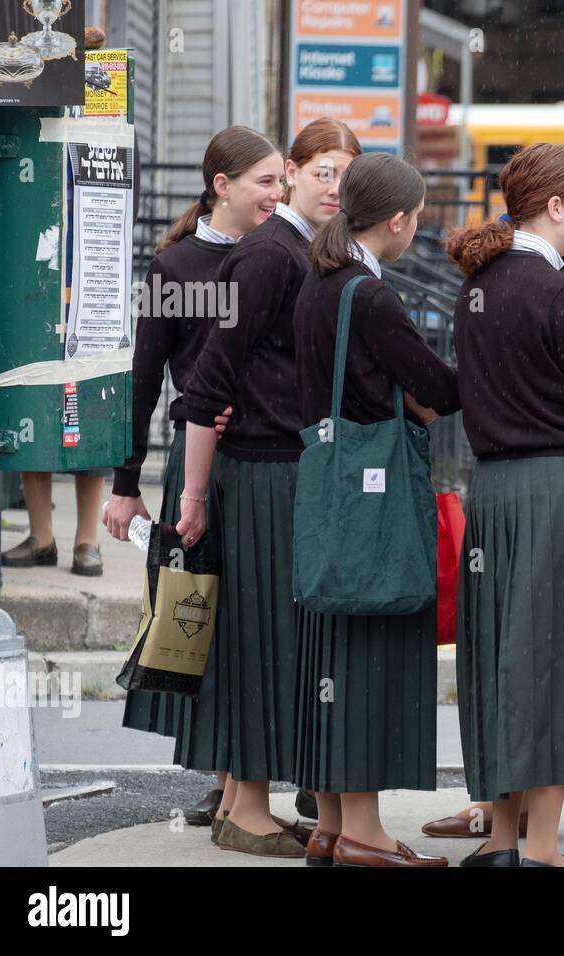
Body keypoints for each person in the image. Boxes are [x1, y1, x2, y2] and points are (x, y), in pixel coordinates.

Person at [445, 142, 564, 867]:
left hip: (493, 494)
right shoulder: (559, 293)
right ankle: (545, 851)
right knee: (555, 662)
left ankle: (500, 842)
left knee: (502, 660)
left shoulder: (478, 284)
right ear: (555, 207)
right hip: (562, 490)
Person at [175, 117, 361, 859]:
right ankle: (245, 808)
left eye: (348, 175)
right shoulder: (268, 255)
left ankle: (247, 801)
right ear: (291, 172)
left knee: (277, 638)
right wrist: (190, 499)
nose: (335, 187)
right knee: (258, 638)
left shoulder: (299, 250)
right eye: (323, 171)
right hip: (258, 472)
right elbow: (205, 382)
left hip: (289, 468)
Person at [103, 125, 283, 827]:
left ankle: (252, 774)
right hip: (194, 460)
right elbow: (143, 382)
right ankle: (221, 770)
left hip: (267, 457)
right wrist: (125, 483)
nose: (277, 193)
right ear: (223, 186)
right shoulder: (174, 267)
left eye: (280, 181)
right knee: (200, 616)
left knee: (259, 620)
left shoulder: (285, 255)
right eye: (265, 181)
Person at [291, 152, 460, 868]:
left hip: (328, 484)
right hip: (379, 491)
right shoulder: (372, 295)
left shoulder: (318, 284)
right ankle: (364, 834)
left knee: (332, 646)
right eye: (416, 215)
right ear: (397, 219)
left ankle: (330, 825)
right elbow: (439, 389)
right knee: (371, 649)